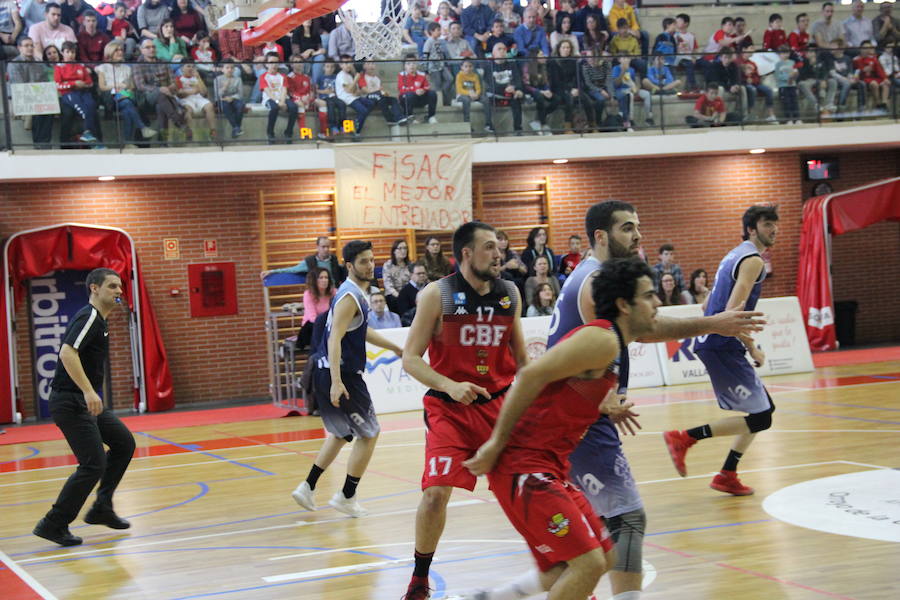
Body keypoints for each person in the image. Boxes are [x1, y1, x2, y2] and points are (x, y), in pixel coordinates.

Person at [536, 199, 764, 600]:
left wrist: (607, 395)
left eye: (637, 225)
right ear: (601, 236)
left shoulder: (597, 277)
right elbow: (636, 332)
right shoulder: (593, 282)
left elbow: (631, 333)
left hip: (577, 414)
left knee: (598, 529)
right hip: (579, 421)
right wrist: (714, 323)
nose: (638, 234)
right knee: (626, 519)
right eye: (627, 227)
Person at [459, 258, 659, 600]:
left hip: (548, 466)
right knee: (589, 564)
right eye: (650, 296)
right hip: (524, 466)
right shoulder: (603, 340)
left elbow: (563, 392)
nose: (658, 304)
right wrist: (495, 443)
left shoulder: (610, 344)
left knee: (602, 556)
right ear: (625, 305)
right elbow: (530, 375)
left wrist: (601, 404)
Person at [401, 221, 527, 600]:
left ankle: (568, 568)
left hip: (499, 406)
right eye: (489, 247)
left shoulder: (510, 294)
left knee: (532, 492)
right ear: (466, 254)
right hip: (449, 409)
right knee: (435, 494)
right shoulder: (437, 295)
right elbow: (410, 359)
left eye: (499, 246)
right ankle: (420, 578)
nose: (499, 253)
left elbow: (522, 359)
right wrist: (449, 385)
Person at [664, 205, 779, 497]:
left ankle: (727, 473)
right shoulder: (752, 261)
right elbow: (732, 313)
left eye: (775, 223)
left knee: (764, 411)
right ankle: (685, 438)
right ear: (752, 229)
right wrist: (754, 348)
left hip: (718, 341)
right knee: (761, 417)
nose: (774, 229)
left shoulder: (734, 254)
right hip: (720, 343)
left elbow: (707, 305)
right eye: (767, 224)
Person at [291, 241, 403, 518]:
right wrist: (338, 381)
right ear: (350, 266)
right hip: (340, 374)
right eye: (364, 261)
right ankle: (347, 495)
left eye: (371, 259)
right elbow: (334, 337)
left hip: (325, 370)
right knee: (371, 432)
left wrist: (394, 347)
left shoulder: (350, 294)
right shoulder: (351, 297)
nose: (370, 265)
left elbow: (359, 330)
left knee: (342, 433)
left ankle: (307, 487)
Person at [32, 268, 136, 547]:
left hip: (82, 402)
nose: (119, 292)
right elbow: (67, 352)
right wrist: (89, 391)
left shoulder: (100, 321)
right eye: (112, 286)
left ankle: (101, 507)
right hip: (71, 401)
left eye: (120, 287)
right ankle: (53, 523)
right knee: (93, 464)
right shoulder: (89, 317)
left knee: (124, 443)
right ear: (94, 288)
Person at [96, 40, 157, 144]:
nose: (120, 52)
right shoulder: (102, 68)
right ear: (110, 52)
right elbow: (102, 87)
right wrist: (117, 86)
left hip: (125, 96)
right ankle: (142, 128)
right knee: (128, 104)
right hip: (110, 96)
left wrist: (126, 89)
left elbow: (132, 86)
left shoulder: (127, 68)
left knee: (127, 108)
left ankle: (127, 143)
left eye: (121, 50)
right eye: (117, 50)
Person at [55, 40, 104, 147]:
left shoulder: (80, 66)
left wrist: (82, 85)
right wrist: (73, 83)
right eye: (67, 52)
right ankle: (87, 135)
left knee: (92, 106)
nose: (70, 55)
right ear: (62, 53)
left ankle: (95, 139)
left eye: (73, 52)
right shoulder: (59, 67)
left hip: (83, 91)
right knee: (83, 110)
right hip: (68, 94)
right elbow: (58, 85)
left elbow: (90, 82)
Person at [8, 36, 54, 148]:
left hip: (38, 97)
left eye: (31, 45)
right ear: (20, 48)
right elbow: (19, 86)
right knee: (39, 110)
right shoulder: (13, 64)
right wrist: (37, 91)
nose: (30, 48)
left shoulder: (39, 63)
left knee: (50, 109)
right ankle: (40, 145)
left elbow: (45, 83)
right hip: (22, 97)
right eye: (26, 45)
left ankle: (43, 144)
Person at [261, 236, 347, 284]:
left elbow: (341, 272)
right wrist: (272, 271)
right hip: (318, 294)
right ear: (317, 247)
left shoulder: (334, 259)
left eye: (328, 247)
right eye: (323, 247)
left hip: (334, 293)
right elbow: (291, 269)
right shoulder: (310, 261)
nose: (326, 249)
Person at [298, 267, 334, 349]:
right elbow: (313, 318)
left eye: (326, 277)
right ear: (314, 280)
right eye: (321, 278)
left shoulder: (334, 292)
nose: (324, 280)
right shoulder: (308, 294)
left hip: (329, 326)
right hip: (311, 328)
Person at [399, 57, 439, 124]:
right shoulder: (401, 75)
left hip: (419, 98)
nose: (411, 65)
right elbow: (402, 89)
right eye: (408, 64)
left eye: (414, 63)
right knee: (408, 95)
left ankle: (431, 116)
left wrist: (423, 90)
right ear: (404, 66)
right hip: (406, 99)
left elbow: (427, 87)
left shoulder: (422, 74)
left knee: (432, 93)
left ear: (416, 65)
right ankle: (410, 117)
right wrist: (415, 91)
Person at [215, 59, 246, 139]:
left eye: (232, 68)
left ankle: (236, 129)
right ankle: (236, 127)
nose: (230, 70)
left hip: (234, 99)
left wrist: (231, 98)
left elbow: (241, 94)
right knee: (225, 106)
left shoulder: (238, 79)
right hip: (222, 100)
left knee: (240, 106)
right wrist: (225, 87)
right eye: (227, 67)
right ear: (222, 69)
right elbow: (217, 95)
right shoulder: (217, 79)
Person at [382, 239, 412, 314]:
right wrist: (399, 296)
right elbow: (388, 285)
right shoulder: (388, 265)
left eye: (405, 248)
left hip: (407, 294)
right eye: (400, 248)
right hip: (394, 295)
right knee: (395, 300)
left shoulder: (410, 265)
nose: (403, 251)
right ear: (394, 251)